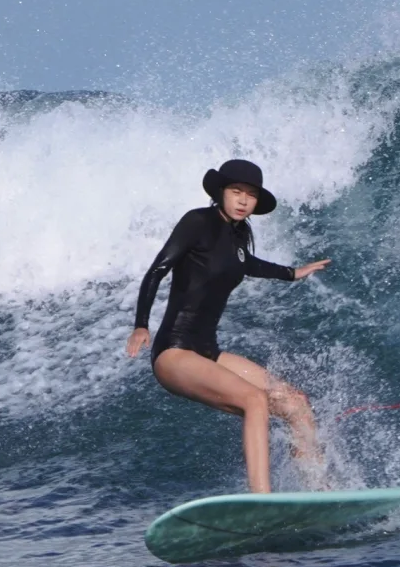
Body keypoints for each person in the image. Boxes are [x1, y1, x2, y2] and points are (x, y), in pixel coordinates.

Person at [125, 159, 331, 493]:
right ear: (221, 192)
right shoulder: (197, 221)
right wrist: (141, 325)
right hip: (174, 352)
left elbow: (245, 264)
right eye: (236, 191)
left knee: (295, 402)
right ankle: (262, 499)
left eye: (250, 195)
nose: (243, 200)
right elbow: (157, 270)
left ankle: (320, 490)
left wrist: (292, 273)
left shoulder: (236, 237)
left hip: (208, 352)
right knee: (255, 399)